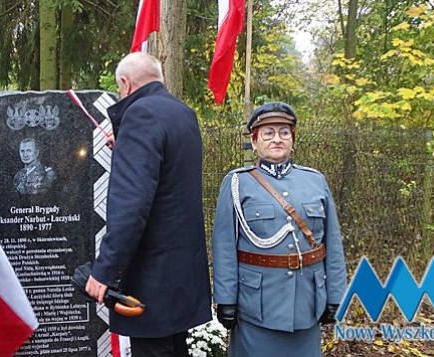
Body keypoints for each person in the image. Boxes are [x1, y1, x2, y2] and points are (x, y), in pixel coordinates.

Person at [85, 52, 212, 356]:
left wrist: (104, 270)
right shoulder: (182, 112)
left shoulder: (140, 115)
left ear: (126, 84)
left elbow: (131, 205)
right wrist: (127, 146)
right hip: (182, 273)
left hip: (152, 278)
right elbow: (169, 174)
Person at [211, 102, 347, 357]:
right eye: (268, 133)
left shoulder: (315, 181)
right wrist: (226, 299)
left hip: (308, 305)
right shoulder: (238, 183)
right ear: (254, 141)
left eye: (284, 132)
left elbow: (333, 244)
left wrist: (336, 294)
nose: (277, 139)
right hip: (257, 308)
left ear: (293, 139)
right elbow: (224, 247)